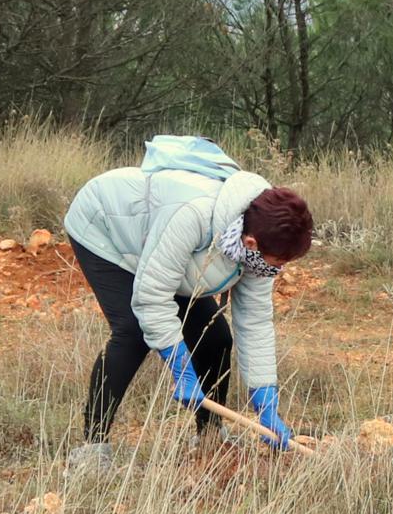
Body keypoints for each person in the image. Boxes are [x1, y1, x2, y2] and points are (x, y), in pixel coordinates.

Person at [61, 136, 313, 466]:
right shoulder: (193, 214)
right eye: (278, 261)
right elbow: (152, 297)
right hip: (107, 228)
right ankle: (93, 447)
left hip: (161, 246)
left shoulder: (257, 246)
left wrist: (265, 402)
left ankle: (209, 436)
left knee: (216, 337)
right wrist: (179, 365)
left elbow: (254, 321)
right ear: (250, 242)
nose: (277, 269)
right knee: (134, 332)